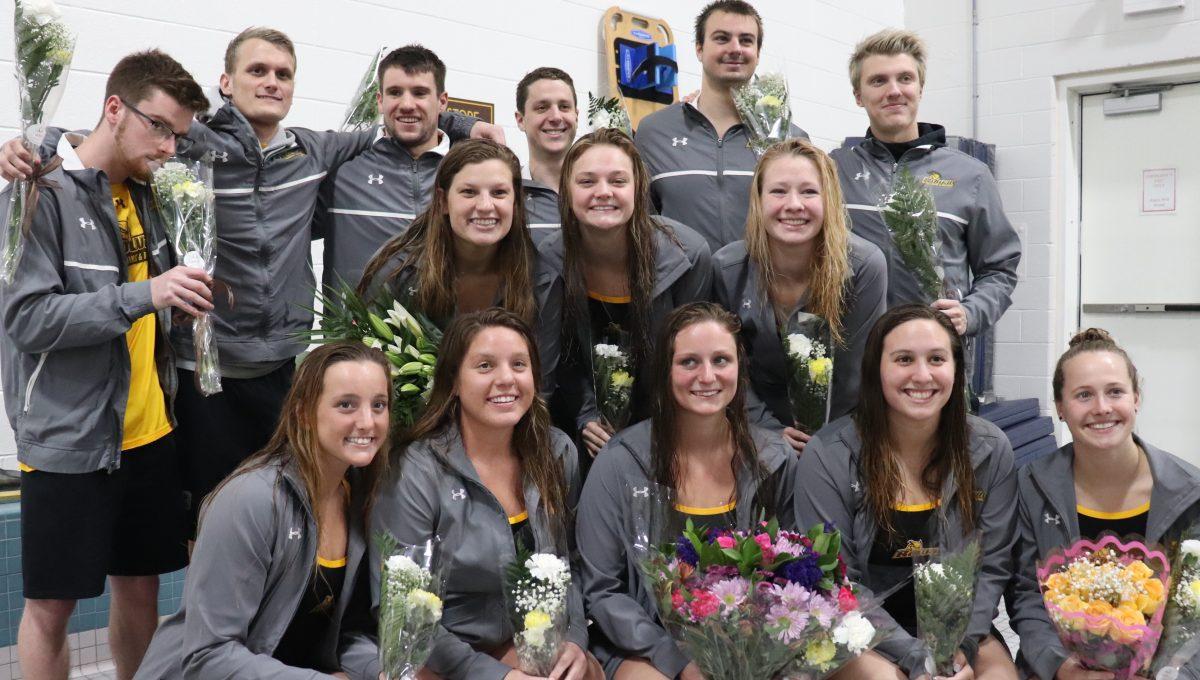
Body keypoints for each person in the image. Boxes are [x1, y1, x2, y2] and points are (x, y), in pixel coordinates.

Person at [0, 27, 504, 534]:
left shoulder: (313, 153)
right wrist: (37, 143)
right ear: (226, 81)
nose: (271, 82)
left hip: (282, 371)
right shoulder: (188, 147)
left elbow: (402, 123)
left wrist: (461, 125)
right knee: (210, 517)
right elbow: (120, 129)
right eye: (257, 71)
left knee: (285, 509)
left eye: (283, 74)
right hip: (204, 373)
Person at [0, 50, 211, 680]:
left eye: (179, 134)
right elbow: (27, 320)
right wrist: (145, 295)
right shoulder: (40, 189)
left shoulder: (154, 195)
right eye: (160, 128)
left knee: (140, 591)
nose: (171, 147)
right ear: (114, 108)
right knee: (50, 608)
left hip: (150, 433)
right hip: (71, 440)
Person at [133, 342, 390, 679]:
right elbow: (209, 656)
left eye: (379, 405)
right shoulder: (249, 501)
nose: (367, 422)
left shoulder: (360, 499)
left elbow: (347, 635)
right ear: (303, 413)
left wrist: (384, 671)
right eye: (346, 405)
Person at [370, 308, 601, 680]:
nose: (506, 379)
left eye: (519, 365)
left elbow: (570, 562)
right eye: (485, 366)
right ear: (454, 382)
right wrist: (496, 676)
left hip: (532, 642)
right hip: (441, 657)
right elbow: (399, 608)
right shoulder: (416, 468)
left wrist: (574, 638)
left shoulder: (557, 452)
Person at [576, 302, 799, 680]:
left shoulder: (775, 459)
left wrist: (755, 646)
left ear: (740, 369)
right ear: (666, 371)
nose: (707, 376)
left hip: (751, 643)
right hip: (646, 647)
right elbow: (602, 590)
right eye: (689, 362)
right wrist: (678, 660)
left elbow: (796, 572)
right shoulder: (620, 462)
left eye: (721, 360)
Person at [795, 305, 1017, 679]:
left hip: (958, 631)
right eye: (903, 359)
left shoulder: (989, 449)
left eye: (936, 359)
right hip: (858, 632)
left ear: (956, 369)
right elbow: (837, 581)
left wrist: (956, 650)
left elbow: (991, 568)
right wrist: (918, 659)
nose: (922, 375)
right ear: (876, 369)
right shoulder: (830, 454)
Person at [1006, 329, 1200, 680]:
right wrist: (1062, 668)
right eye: (1084, 395)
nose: (1102, 408)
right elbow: (1027, 598)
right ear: (1061, 408)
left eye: (1115, 392)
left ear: (1137, 398)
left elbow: (1194, 611)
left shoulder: (1189, 492)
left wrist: (1170, 674)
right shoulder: (1032, 485)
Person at [832, 29, 1020, 339]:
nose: (894, 91)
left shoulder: (970, 175)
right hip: (854, 358)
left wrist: (971, 312)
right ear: (858, 95)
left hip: (933, 356)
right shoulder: (833, 169)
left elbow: (999, 268)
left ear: (920, 88)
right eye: (878, 81)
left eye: (905, 79)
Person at [540, 128, 711, 457]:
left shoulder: (688, 255)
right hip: (589, 435)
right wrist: (587, 416)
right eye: (587, 182)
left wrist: (663, 428)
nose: (603, 192)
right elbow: (558, 359)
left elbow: (696, 359)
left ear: (638, 189)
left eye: (618, 181)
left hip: (672, 428)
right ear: (566, 191)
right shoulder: (552, 257)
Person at [712, 138, 886, 451]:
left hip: (844, 434)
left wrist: (823, 444)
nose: (794, 204)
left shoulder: (863, 267)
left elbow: (856, 376)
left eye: (809, 191)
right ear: (759, 199)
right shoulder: (727, 269)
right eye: (778, 191)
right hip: (752, 433)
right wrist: (765, 430)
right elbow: (726, 367)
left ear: (828, 200)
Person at [357, 139, 560, 391]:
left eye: (499, 193)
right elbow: (365, 376)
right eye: (469, 192)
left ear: (516, 203)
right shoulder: (399, 272)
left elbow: (542, 385)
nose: (485, 206)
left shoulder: (539, 277)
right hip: (416, 423)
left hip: (508, 418)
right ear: (442, 201)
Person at [634, 0, 809, 252]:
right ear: (699, 48)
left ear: (758, 53)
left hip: (765, 288)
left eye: (746, 40)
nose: (735, 48)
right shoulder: (654, 132)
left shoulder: (789, 139)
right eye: (722, 38)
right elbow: (640, 225)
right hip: (682, 288)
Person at [316, 44, 451, 291]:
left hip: (447, 330)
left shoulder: (464, 174)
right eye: (395, 92)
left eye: (420, 93)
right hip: (354, 329)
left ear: (442, 101)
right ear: (380, 100)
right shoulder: (343, 170)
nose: (407, 104)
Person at [515, 67, 579, 245]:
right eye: (542, 108)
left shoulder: (599, 192)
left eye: (564, 107)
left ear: (576, 116)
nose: (556, 117)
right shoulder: (507, 194)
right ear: (520, 120)